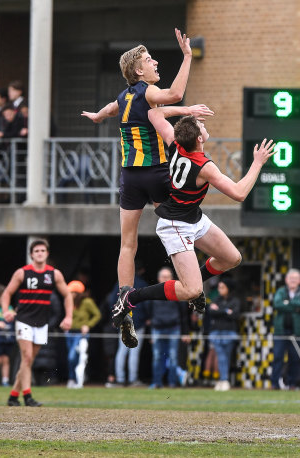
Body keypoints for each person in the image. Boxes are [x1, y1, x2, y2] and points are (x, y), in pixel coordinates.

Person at [109, 110, 274, 377]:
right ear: (199, 139)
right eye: (200, 125)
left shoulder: (174, 142)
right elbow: (240, 193)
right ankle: (130, 298)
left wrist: (188, 113)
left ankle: (197, 287)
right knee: (189, 289)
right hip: (175, 225)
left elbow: (155, 113)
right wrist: (257, 162)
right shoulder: (204, 165)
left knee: (232, 258)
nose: (203, 126)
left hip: (193, 218)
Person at [81, 28, 210, 349]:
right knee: (183, 221)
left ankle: (124, 302)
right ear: (138, 71)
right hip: (156, 174)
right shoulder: (147, 91)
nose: (154, 63)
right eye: (149, 60)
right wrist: (188, 57)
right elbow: (174, 96)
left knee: (128, 243)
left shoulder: (123, 97)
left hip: (129, 177)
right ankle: (194, 287)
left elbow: (110, 110)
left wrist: (97, 116)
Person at [1, 237, 73, 407]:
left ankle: (13, 396)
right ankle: (28, 397)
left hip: (42, 322)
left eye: (42, 251)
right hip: (24, 320)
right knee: (26, 357)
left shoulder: (54, 274)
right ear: (31, 255)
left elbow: (68, 295)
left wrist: (68, 317)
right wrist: (6, 311)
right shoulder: (22, 273)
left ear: (47, 254)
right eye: (36, 251)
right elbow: (6, 293)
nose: (40, 254)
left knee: (28, 362)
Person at [148, 266, 189, 389]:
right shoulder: (152, 292)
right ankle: (157, 382)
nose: (165, 279)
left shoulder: (178, 292)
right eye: (163, 276)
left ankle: (172, 383)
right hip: (157, 328)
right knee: (157, 357)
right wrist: (150, 331)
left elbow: (184, 314)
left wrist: (185, 332)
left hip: (174, 328)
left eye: (168, 276)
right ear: (158, 278)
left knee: (173, 356)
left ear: (172, 278)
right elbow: (149, 312)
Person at [271, 268, 300, 390]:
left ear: (299, 280)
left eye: (295, 278)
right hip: (280, 331)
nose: (293, 281)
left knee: (294, 358)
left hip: (297, 332)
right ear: (286, 280)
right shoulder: (280, 291)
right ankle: (275, 384)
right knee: (278, 357)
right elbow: (277, 304)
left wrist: (287, 303)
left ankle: (292, 383)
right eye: (291, 278)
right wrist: (295, 306)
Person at [65, 279, 101, 389]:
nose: (70, 294)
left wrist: (88, 325)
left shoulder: (87, 302)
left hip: (81, 334)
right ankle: (72, 378)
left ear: (78, 293)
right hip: (69, 333)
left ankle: (77, 378)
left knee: (74, 357)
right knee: (70, 357)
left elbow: (97, 315)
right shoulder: (68, 302)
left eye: (72, 292)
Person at [207, 278, 240, 390]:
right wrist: (226, 311)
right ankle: (224, 380)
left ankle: (223, 380)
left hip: (229, 333)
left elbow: (235, 315)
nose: (219, 289)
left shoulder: (235, 300)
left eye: (222, 287)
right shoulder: (216, 299)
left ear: (228, 289)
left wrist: (219, 310)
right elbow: (211, 312)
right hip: (216, 332)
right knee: (221, 356)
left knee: (226, 356)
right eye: (219, 287)